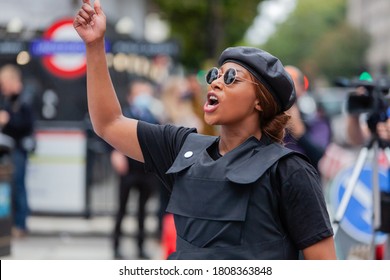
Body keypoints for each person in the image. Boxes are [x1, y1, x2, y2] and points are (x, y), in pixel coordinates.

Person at [73, 0, 336, 260]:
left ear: (260, 100)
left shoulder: (290, 172)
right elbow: (108, 123)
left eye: (231, 77)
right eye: (215, 75)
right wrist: (95, 45)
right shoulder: (180, 148)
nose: (216, 83)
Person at [111, 79, 161, 259]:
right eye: (139, 93)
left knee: (143, 210)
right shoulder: (123, 116)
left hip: (147, 170)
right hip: (128, 169)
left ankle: (140, 247)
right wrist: (115, 153)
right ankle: (116, 246)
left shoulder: (153, 117)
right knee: (122, 208)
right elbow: (111, 135)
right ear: (131, 97)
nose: (143, 97)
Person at [0, 64, 35, 238]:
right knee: (9, 188)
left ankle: (20, 224)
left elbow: (26, 125)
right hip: (6, 149)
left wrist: (8, 120)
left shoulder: (24, 99)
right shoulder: (7, 99)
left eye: (5, 82)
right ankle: (10, 223)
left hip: (18, 150)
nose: (3, 87)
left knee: (18, 186)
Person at [284, 65, 332, 171]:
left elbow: (319, 155)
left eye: (291, 80)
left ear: (302, 88)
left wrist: (299, 131)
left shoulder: (315, 117)